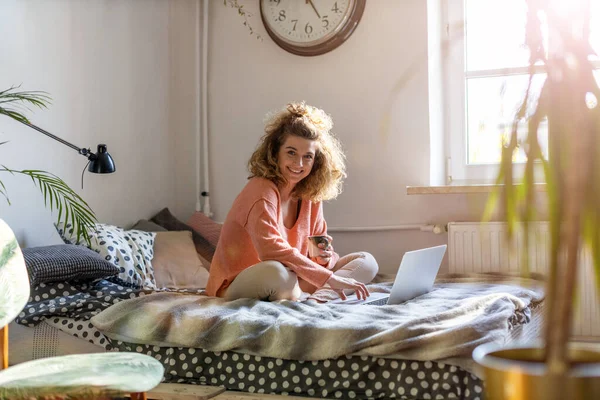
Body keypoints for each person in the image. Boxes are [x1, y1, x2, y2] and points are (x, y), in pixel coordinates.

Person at [205, 102, 378, 302]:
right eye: (291, 152)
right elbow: (271, 250)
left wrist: (324, 257)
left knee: (367, 262)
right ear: (275, 152)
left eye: (308, 157)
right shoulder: (261, 189)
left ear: (316, 161)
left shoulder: (311, 194)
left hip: (293, 278)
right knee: (276, 272)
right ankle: (317, 295)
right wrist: (329, 277)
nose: (299, 164)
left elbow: (317, 253)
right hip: (242, 282)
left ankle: (317, 301)